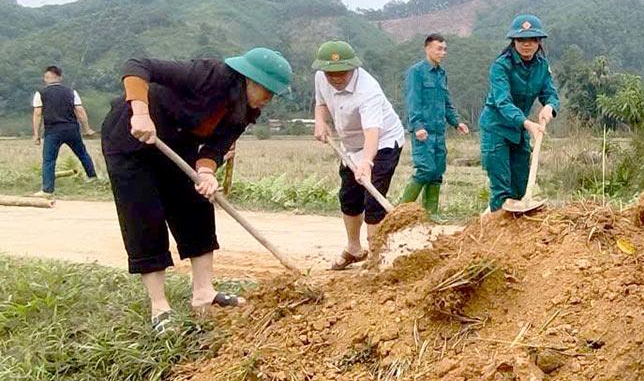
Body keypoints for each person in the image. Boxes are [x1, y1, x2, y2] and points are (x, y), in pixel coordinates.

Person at [100, 48, 292, 333]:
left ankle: (204, 293)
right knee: (145, 216)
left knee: (197, 207)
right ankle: (160, 308)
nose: (269, 99)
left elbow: (217, 145)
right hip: (130, 142)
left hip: (178, 144)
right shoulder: (207, 75)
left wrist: (206, 171)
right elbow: (137, 64)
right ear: (250, 80)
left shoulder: (246, 110)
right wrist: (140, 114)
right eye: (268, 91)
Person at [311, 41, 407, 269]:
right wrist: (321, 121)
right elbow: (321, 102)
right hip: (350, 146)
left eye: (341, 72)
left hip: (382, 143)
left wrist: (366, 162)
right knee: (349, 197)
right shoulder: (320, 77)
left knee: (373, 201)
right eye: (330, 73)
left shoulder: (368, 90)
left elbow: (372, 131)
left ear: (353, 68)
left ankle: (376, 259)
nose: (335, 77)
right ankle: (354, 249)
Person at [479, 15, 559, 212]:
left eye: (532, 40)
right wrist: (528, 124)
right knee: (502, 191)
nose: (526, 45)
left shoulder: (542, 65)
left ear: (539, 42)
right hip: (496, 128)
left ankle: (517, 235)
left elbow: (550, 93)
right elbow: (502, 102)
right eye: (521, 40)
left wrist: (549, 107)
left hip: (519, 131)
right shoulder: (501, 66)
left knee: (521, 188)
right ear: (513, 41)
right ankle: (494, 234)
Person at [399, 33, 470, 220]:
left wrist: (456, 122)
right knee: (425, 169)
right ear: (427, 48)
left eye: (445, 49)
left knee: (437, 171)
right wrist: (417, 126)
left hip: (439, 132)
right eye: (439, 48)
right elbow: (413, 101)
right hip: (424, 131)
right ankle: (400, 212)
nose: (443, 52)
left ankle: (431, 213)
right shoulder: (417, 72)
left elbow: (447, 102)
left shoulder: (441, 74)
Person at [32, 65, 98, 196]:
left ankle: (47, 190)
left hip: (52, 131)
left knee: (49, 160)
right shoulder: (71, 92)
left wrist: (36, 135)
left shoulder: (40, 93)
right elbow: (79, 111)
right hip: (72, 129)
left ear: (45, 78)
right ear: (60, 78)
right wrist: (87, 129)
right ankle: (93, 178)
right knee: (82, 154)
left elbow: (37, 114)